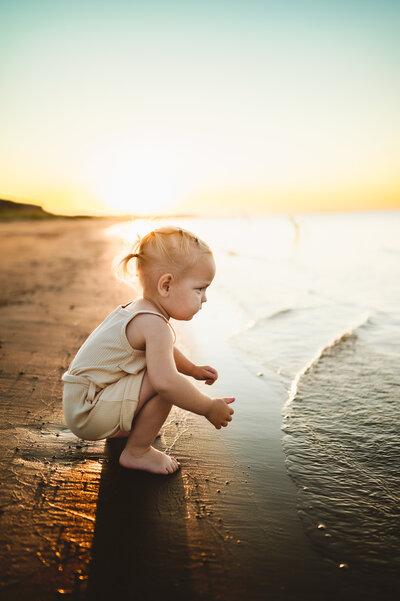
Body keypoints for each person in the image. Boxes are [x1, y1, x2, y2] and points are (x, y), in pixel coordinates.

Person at [61, 226, 235, 475]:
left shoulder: (141, 311)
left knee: (161, 371)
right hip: (88, 411)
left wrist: (193, 369)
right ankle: (137, 451)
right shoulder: (153, 324)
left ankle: (129, 429)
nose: (204, 298)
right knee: (166, 385)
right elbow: (165, 382)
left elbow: (166, 351)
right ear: (166, 285)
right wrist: (208, 407)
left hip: (83, 402)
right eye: (199, 289)